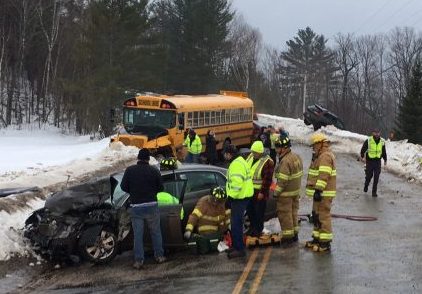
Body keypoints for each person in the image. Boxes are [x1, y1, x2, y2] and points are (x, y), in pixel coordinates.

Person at [120, 149, 166, 269]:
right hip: (151, 205)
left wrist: (134, 191)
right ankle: (159, 256)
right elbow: (161, 188)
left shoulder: (130, 170)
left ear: (138, 158)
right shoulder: (154, 170)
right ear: (148, 159)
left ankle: (139, 260)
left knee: (138, 235)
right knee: (156, 232)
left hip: (136, 207)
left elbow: (123, 186)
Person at [305, 133, 337, 252]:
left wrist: (318, 190)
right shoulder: (320, 156)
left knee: (323, 216)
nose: (313, 147)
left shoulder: (325, 156)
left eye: (314, 145)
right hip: (320, 192)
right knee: (317, 216)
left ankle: (325, 242)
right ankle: (317, 239)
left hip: (324, 193)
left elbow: (324, 175)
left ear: (320, 144)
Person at [224, 145, 254, 258]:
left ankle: (239, 249)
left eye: (225, 153)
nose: (224, 156)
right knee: (236, 222)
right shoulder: (240, 161)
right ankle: (236, 246)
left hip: (239, 198)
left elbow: (237, 184)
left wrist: (230, 198)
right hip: (241, 197)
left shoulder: (236, 164)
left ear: (229, 154)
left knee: (236, 223)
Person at [272, 136, 303, 245]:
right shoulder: (296, 157)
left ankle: (288, 238)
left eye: (277, 148)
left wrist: (276, 193)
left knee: (285, 216)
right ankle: (294, 235)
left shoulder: (285, 161)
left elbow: (283, 181)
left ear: (283, 148)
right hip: (295, 192)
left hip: (285, 194)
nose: (276, 150)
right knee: (293, 214)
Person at [183, 186, 230, 254]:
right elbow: (194, 216)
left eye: (218, 201)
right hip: (204, 232)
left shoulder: (222, 204)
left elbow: (225, 218)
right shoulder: (204, 202)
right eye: (214, 199)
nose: (215, 202)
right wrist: (188, 230)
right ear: (211, 196)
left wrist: (228, 228)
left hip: (216, 233)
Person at [245, 141, 274, 238]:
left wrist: (262, 192)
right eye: (252, 152)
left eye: (255, 153)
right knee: (250, 211)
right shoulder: (250, 157)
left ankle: (258, 230)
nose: (253, 154)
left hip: (259, 192)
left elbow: (267, 180)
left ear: (260, 152)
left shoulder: (268, 162)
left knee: (259, 213)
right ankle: (252, 228)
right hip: (249, 191)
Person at [360, 128, 387, 197]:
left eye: (378, 132)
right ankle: (366, 184)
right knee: (369, 176)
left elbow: (383, 152)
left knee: (376, 177)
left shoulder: (382, 141)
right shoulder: (369, 140)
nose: (377, 134)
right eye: (375, 132)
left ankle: (374, 192)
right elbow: (363, 149)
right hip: (370, 161)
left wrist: (385, 160)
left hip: (378, 161)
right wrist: (362, 156)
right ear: (373, 133)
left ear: (380, 133)